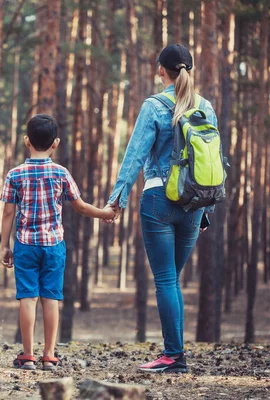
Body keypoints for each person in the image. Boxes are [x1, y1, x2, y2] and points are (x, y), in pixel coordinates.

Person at [107, 44, 217, 373]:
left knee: (167, 280)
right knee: (172, 280)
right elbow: (208, 161)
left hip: (159, 200)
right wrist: (206, 206)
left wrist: (118, 199)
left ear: (161, 71)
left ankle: (173, 356)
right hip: (196, 204)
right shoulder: (205, 107)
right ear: (189, 71)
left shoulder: (154, 105)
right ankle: (175, 353)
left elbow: (135, 156)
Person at [0, 114, 116, 371]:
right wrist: (106, 213)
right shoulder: (61, 173)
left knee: (28, 298)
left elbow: (8, 213)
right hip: (54, 246)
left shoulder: (15, 174)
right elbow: (81, 207)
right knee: (51, 297)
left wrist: (4, 245)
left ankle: (27, 355)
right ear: (56, 143)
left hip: (25, 245)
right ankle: (49, 355)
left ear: (26, 141)